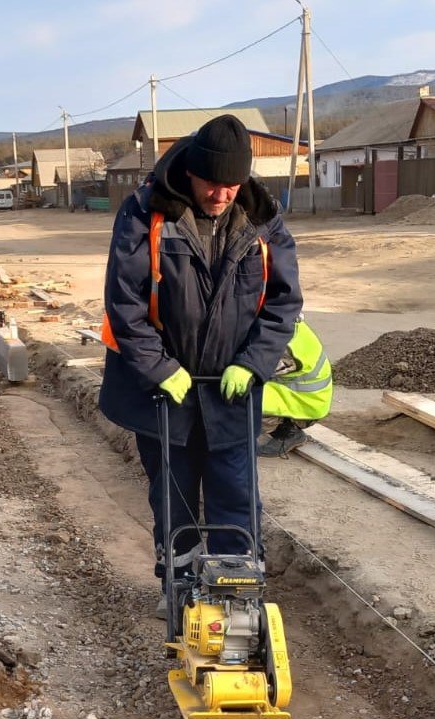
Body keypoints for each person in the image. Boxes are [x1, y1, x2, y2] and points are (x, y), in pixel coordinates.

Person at [97, 114, 303, 614]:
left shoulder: (262, 220)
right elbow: (124, 305)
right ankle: (182, 589)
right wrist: (161, 369)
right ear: (191, 171)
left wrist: (253, 364)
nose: (221, 195)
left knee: (236, 492)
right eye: (212, 184)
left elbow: (283, 303)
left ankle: (236, 593)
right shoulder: (146, 213)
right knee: (176, 496)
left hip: (231, 388)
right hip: (161, 391)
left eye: (231, 185)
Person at [258, 317, 333, 457]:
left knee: (237, 394)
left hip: (306, 404)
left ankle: (287, 432)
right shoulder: (286, 321)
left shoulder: (284, 346)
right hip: (296, 392)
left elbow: (255, 370)